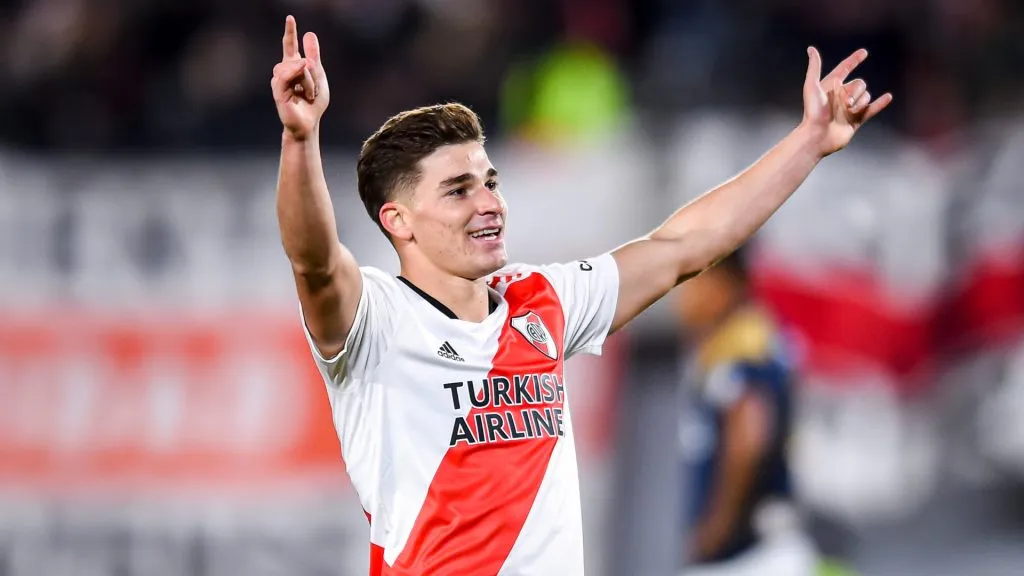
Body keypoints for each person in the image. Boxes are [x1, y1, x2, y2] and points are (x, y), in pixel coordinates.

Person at [270, 14, 891, 576]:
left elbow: (685, 246)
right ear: (398, 220)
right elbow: (314, 261)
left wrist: (809, 142)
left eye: (490, 182)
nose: (489, 203)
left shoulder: (542, 300)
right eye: (458, 190)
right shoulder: (377, 321)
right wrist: (300, 141)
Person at [673, 248, 817, 576]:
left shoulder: (741, 347)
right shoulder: (740, 339)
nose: (681, 299)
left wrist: (716, 529)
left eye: (692, 284)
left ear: (725, 284)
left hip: (748, 559)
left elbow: (749, 435)